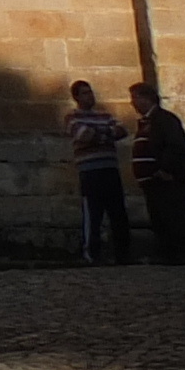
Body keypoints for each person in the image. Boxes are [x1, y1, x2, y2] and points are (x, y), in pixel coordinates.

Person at [129, 81, 185, 266]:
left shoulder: (164, 120)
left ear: (147, 98)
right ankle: (168, 254)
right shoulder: (148, 121)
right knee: (160, 220)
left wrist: (165, 170)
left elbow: (173, 146)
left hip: (166, 180)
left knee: (174, 218)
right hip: (152, 182)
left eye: (135, 98)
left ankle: (182, 255)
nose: (132, 103)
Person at [65, 80, 133, 266]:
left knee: (118, 212)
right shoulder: (73, 117)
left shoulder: (105, 115)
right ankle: (91, 253)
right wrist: (106, 134)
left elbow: (122, 130)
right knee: (93, 213)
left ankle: (123, 254)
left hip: (110, 169)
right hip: (90, 171)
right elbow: (83, 134)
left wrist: (99, 135)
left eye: (91, 92)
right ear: (76, 97)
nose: (90, 96)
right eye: (85, 93)